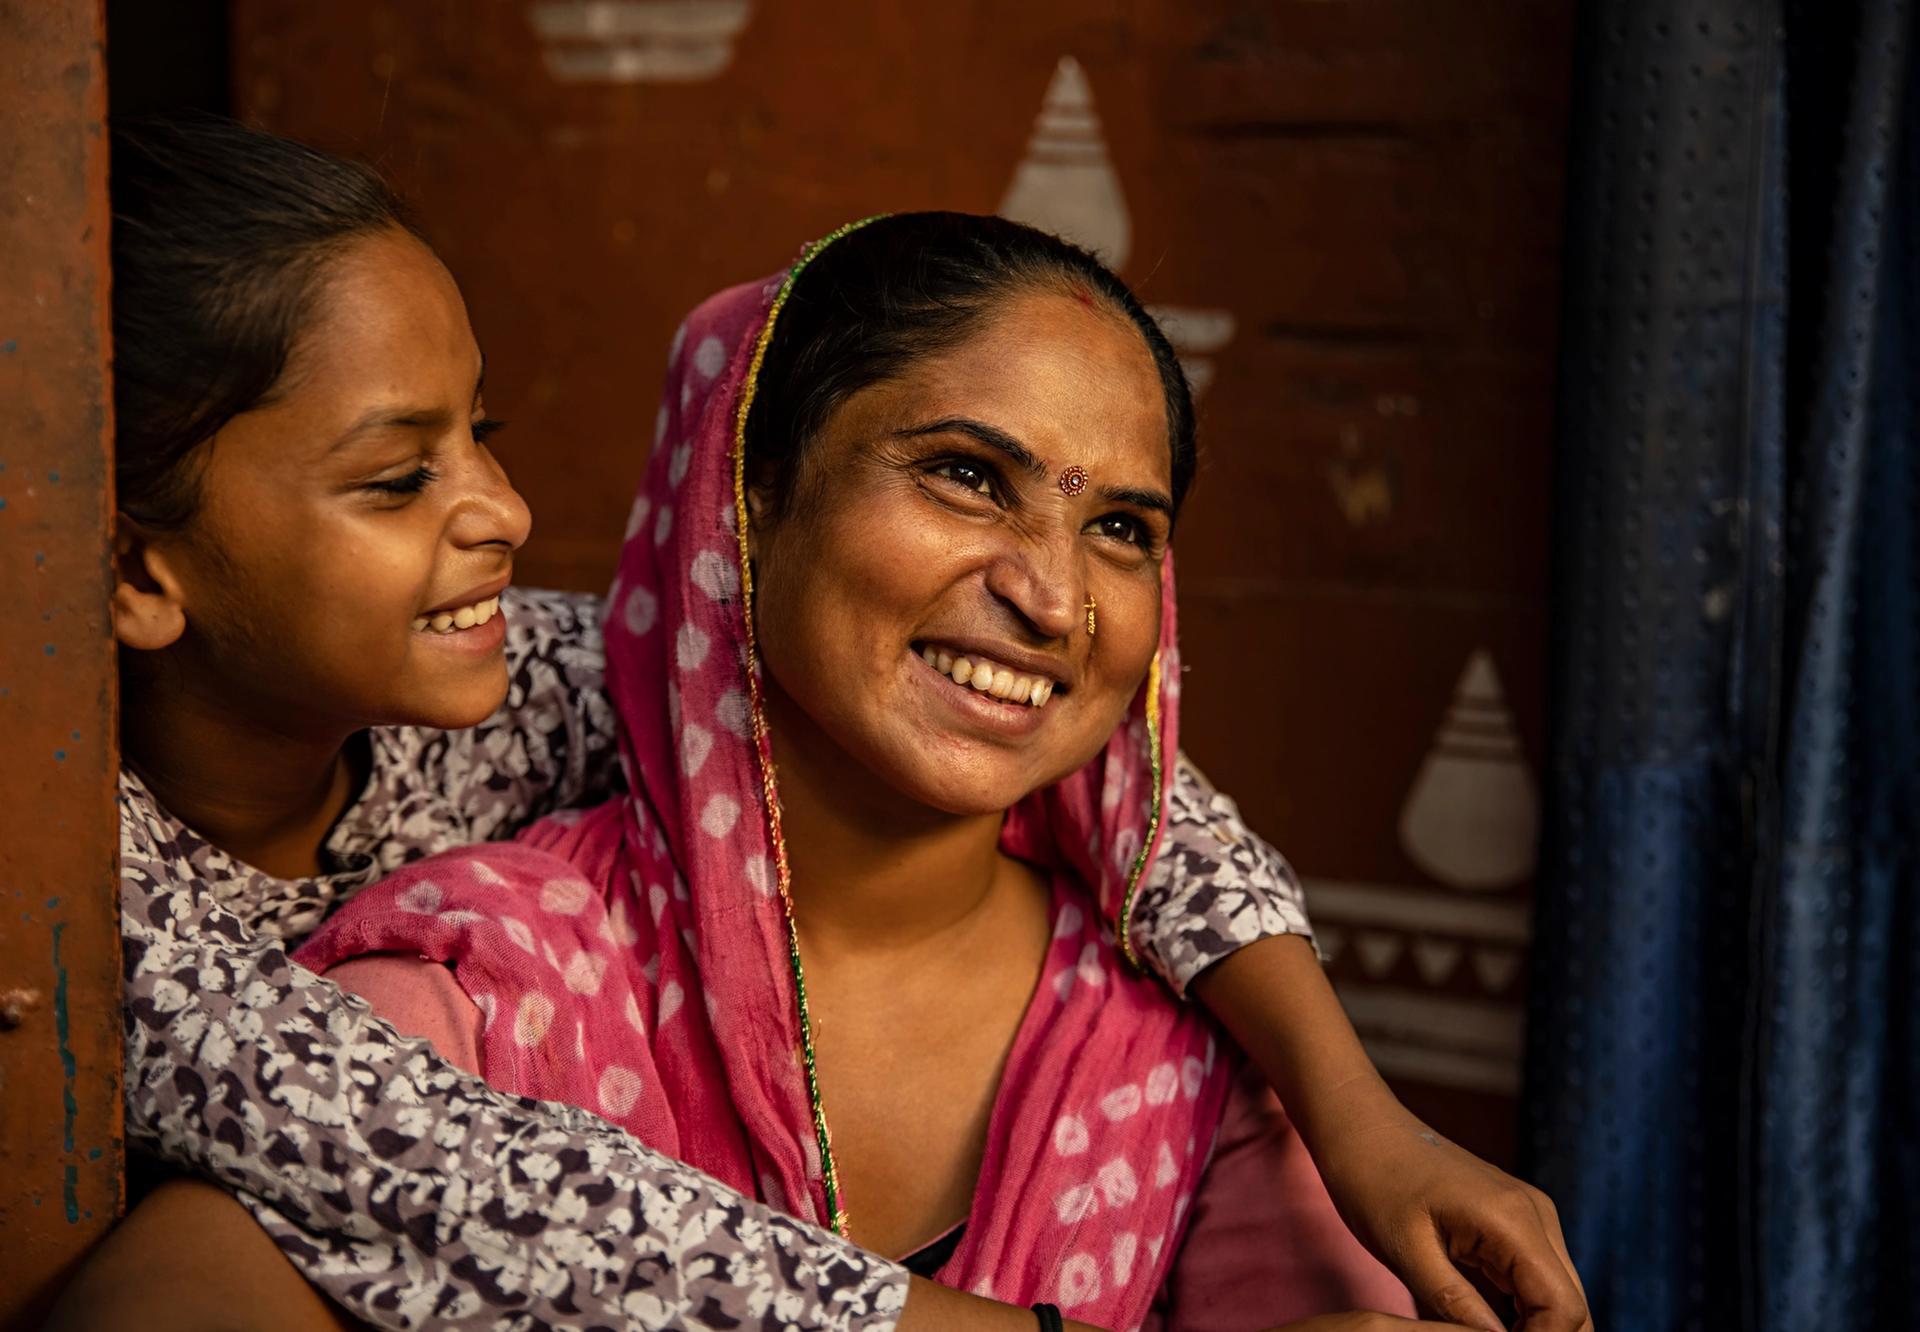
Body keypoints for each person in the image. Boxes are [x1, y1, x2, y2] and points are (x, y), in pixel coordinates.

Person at [54, 117, 1585, 1332]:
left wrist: (1358, 1114)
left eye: (1123, 525)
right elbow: (438, 1178)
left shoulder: (546, 682)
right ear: (747, 501)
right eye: (966, 474)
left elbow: (1143, 806)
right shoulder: (329, 955)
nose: (1052, 597)